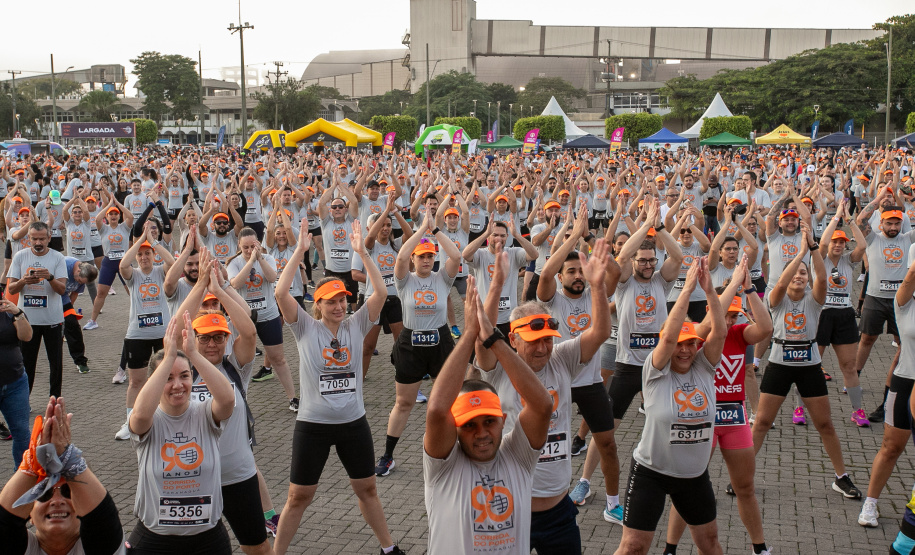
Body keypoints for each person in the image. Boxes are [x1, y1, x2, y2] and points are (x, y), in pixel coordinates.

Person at [273, 219, 404, 555]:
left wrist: (362, 252)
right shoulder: (304, 328)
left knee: (368, 490)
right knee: (298, 496)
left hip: (353, 424)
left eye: (342, 300)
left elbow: (382, 292)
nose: (338, 306)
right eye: (330, 301)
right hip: (313, 426)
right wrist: (300, 252)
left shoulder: (357, 324)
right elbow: (280, 292)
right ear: (318, 305)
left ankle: (389, 549)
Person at [480, 238, 612, 552]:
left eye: (548, 339)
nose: (543, 348)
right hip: (510, 510)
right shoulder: (497, 367)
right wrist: (497, 284)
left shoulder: (562, 359)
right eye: (534, 340)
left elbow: (600, 333)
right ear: (513, 340)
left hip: (559, 513)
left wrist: (599, 287)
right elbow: (483, 336)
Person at [423, 277, 552, 554]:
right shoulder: (443, 466)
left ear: (504, 421)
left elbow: (542, 405)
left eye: (489, 421)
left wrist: (493, 339)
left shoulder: (518, 457)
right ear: (454, 428)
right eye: (469, 425)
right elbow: (436, 410)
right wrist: (470, 335)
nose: (481, 433)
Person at [614, 257, 726, 555]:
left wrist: (710, 292)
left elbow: (720, 331)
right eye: (679, 343)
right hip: (651, 471)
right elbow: (666, 336)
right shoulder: (654, 371)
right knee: (634, 546)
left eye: (690, 343)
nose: (685, 349)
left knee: (710, 544)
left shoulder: (704, 368)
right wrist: (687, 289)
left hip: (693, 477)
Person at [663, 257, 773, 555]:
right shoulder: (697, 336)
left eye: (734, 316)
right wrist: (727, 287)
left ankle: (760, 547)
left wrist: (749, 291)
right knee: (687, 487)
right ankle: (670, 548)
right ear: (712, 310)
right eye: (725, 315)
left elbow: (765, 327)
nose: (729, 322)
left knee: (745, 488)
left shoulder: (739, 334)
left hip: (734, 419)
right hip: (702, 420)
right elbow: (712, 322)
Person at [751, 223, 863, 499]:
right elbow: (778, 284)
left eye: (804, 273)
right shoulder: (776, 299)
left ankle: (841, 477)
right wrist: (800, 254)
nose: (800, 276)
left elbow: (822, 281)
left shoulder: (815, 300)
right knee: (763, 422)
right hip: (779, 363)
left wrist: (813, 250)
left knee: (825, 424)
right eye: (795, 273)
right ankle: (745, 474)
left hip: (809, 365)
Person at [173, 259, 275, 555]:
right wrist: (201, 285)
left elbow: (250, 332)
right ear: (194, 340)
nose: (212, 345)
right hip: (193, 478)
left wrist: (220, 287)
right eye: (204, 338)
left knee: (257, 547)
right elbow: (178, 324)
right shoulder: (182, 373)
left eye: (219, 338)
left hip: (237, 476)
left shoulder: (236, 368)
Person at [536, 208, 625, 524]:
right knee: (544, 446)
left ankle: (613, 503)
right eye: (569, 271)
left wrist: (593, 243)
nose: (576, 275)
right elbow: (544, 275)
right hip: (554, 384)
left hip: (589, 383)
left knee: (608, 445)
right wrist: (574, 234)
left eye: (579, 271)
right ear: (562, 276)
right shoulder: (551, 299)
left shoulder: (594, 292)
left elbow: (615, 275)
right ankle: (540, 496)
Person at [127, 312, 235, 554]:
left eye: (184, 376)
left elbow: (228, 399)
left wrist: (194, 354)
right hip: (155, 540)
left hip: (207, 539)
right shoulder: (149, 419)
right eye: (167, 378)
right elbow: (140, 415)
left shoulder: (205, 414)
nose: (178, 385)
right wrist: (168, 358)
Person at [375, 216, 463, 477]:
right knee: (404, 403)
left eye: (430, 256)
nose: (426, 260)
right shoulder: (405, 280)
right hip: (410, 344)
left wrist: (434, 230)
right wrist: (420, 230)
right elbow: (400, 257)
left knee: (446, 403)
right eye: (421, 256)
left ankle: (454, 451)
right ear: (414, 258)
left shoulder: (442, 279)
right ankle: (388, 455)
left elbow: (456, 256)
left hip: (440, 343)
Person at [0, 396, 125, 555]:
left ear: (83, 505)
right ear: (29, 513)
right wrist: (34, 462)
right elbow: (4, 523)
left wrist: (70, 460)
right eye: (45, 494)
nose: (57, 501)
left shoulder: (107, 545)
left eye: (67, 492)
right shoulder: (20, 548)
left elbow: (101, 519)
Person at [858, 249, 915, 528]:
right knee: (892, 446)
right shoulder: (905, 301)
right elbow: (910, 277)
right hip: (907, 380)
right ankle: (871, 503)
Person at [854, 195, 915, 423]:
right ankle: (855, 379)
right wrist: (881, 196)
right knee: (867, 338)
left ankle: (890, 395)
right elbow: (861, 219)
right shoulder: (873, 240)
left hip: (903, 302)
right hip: (875, 298)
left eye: (896, 223)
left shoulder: (908, 239)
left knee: (904, 345)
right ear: (882, 224)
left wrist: (899, 197)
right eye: (889, 223)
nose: (893, 227)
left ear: (902, 224)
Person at [115, 229, 176, 441]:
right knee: (136, 382)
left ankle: (166, 418)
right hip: (137, 334)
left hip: (162, 333)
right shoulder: (134, 275)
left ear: (153, 255)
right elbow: (123, 265)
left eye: (147, 253)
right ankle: (130, 422)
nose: (143, 258)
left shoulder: (160, 271)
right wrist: (140, 241)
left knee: (167, 377)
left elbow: (172, 263)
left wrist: (154, 242)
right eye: (140, 255)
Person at [227, 227, 297, 410]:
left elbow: (272, 277)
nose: (250, 250)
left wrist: (260, 258)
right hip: (244, 318)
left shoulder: (269, 259)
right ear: (239, 247)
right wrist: (250, 261)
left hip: (268, 315)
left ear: (259, 244)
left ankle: (293, 398)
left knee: (278, 358)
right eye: (246, 248)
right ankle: (237, 399)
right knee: (237, 361)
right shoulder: (234, 263)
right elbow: (235, 284)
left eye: (253, 246)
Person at [817, 200, 870, 425]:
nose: (838, 245)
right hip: (821, 315)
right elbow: (823, 241)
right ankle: (799, 407)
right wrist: (836, 216)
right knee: (811, 364)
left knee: (849, 366)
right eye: (835, 242)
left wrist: (849, 220)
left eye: (842, 242)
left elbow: (863, 246)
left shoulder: (849, 261)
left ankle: (857, 411)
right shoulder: (819, 259)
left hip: (845, 315)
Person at [7, 222, 67, 397]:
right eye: (34, 239)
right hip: (27, 321)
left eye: (42, 238)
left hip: (52, 321)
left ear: (49, 238)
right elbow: (11, 289)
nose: (38, 242)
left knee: (55, 364)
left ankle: (54, 400)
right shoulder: (20, 256)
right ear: (29, 238)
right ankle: (23, 399)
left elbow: (62, 290)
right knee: (26, 364)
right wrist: (24, 281)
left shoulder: (57, 258)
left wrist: (49, 277)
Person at [84, 195, 134, 330]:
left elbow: (130, 216)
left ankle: (138, 315)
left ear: (119, 217)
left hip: (124, 262)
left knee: (132, 291)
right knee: (101, 293)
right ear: (107, 216)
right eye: (110, 214)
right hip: (108, 262)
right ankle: (93, 320)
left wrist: (117, 203)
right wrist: (108, 205)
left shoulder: (124, 227)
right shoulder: (104, 228)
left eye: (115, 214)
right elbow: (97, 218)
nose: (113, 216)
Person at [0, 297, 31, 466]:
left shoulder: (9, 312)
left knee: (22, 433)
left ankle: (23, 479)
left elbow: (27, 336)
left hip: (15, 382)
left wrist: (18, 313)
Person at [60, 257, 98, 375]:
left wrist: (68, 311)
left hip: (63, 299)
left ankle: (80, 361)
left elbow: (75, 293)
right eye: (80, 281)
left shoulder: (83, 274)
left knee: (73, 326)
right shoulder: (64, 265)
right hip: (48, 298)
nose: (79, 283)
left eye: (82, 283)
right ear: (77, 272)